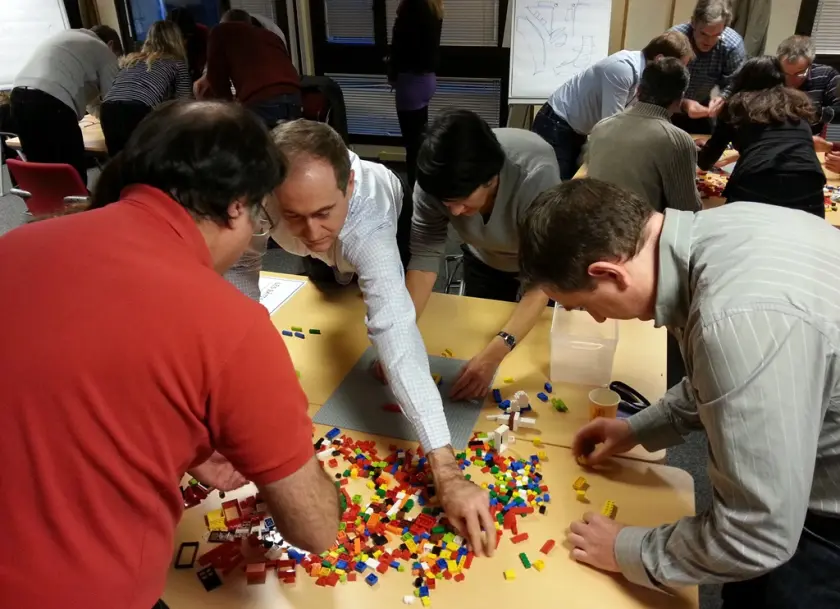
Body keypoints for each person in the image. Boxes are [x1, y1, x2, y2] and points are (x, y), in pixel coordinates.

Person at [0, 101, 340, 607]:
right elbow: (315, 529)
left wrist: (186, 444)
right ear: (237, 206)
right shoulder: (231, 325)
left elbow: (66, 391)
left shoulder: (14, 244)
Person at [518, 177, 840, 609]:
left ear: (608, 273)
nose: (596, 320)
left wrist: (625, 550)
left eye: (583, 306)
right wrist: (637, 428)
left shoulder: (734, 319)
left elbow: (757, 535)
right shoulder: (724, 229)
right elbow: (736, 378)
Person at [266, 119, 495, 554]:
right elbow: (239, 290)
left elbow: (395, 328)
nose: (312, 232)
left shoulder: (368, 219)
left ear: (349, 186)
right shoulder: (256, 200)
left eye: (323, 213)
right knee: (330, 283)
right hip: (328, 240)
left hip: (386, 209)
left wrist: (447, 471)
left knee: (387, 296)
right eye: (294, 215)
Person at [408, 109, 558, 400]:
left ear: (491, 180)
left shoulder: (535, 176)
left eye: (462, 201)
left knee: (531, 352)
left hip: (537, 259)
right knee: (475, 342)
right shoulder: (435, 181)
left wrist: (495, 353)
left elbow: (542, 280)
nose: (454, 212)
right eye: (446, 203)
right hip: (483, 258)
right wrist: (400, 337)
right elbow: (424, 257)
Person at [532, 31, 694, 179]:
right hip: (556, 123)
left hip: (577, 129)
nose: (681, 72)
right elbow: (612, 126)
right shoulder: (623, 69)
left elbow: (636, 120)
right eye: (680, 66)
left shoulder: (645, 75)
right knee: (557, 188)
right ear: (659, 59)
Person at [697, 55, 826, 218]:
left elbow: (707, 160)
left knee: (738, 227)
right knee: (810, 229)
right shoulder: (797, 102)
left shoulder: (736, 104)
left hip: (757, 177)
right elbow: (779, 143)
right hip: (809, 177)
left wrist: (694, 151)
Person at [9, 26, 122, 184]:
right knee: (72, 171)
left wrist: (100, 115)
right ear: (111, 45)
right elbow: (115, 103)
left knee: (43, 170)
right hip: (51, 102)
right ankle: (76, 198)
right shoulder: (104, 51)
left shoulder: (69, 38)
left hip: (18, 98)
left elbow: (93, 103)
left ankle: (51, 199)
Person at [586, 57, 701, 212]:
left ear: (638, 90)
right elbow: (686, 209)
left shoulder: (601, 126)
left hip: (595, 219)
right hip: (636, 225)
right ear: (680, 98)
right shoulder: (675, 140)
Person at [197, 9, 301, 128]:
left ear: (224, 22)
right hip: (294, 93)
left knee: (260, 138)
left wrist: (229, 105)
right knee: (288, 137)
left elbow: (216, 77)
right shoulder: (270, 34)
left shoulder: (220, 31)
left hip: (262, 96)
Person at [100, 20, 191, 155]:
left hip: (108, 108)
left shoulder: (132, 60)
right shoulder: (177, 64)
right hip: (138, 108)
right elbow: (185, 106)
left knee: (119, 160)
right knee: (146, 158)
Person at [388, 0, 443, 188]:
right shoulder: (433, 6)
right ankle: (424, 189)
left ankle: (416, 194)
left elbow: (401, 46)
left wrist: (392, 72)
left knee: (413, 148)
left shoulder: (413, 5)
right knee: (420, 141)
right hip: (427, 80)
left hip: (411, 81)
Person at [671, 0, 746, 134]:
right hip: (668, 106)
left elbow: (734, 83)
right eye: (704, 34)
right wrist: (683, 103)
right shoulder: (675, 39)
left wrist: (722, 98)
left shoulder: (732, 45)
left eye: (716, 35)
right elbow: (658, 85)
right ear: (693, 22)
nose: (709, 41)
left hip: (701, 106)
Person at [776, 35, 840, 137]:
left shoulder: (827, 74)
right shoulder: (770, 73)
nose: (791, 80)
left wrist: (815, 112)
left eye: (799, 74)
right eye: (785, 73)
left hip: (809, 139)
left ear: (809, 65)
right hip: (773, 138)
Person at [167, 7, 209, 82]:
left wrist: (206, 74)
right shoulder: (160, 43)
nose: (181, 42)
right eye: (176, 39)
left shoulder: (202, 34)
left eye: (184, 37)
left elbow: (211, 61)